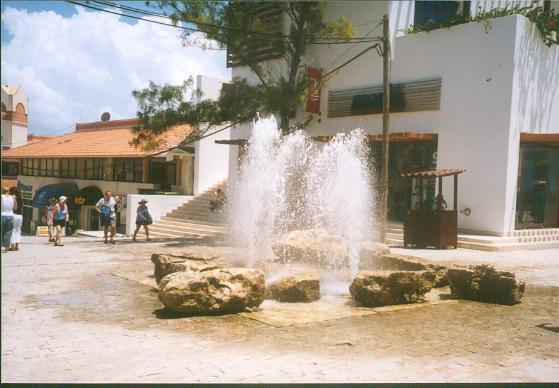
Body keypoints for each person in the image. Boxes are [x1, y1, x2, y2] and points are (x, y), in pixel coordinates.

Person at [1, 186, 15, 253]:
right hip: (10, 215)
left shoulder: (1, 196)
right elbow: (15, 207)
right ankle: (6, 248)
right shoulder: (12, 197)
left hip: (2, 215)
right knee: (8, 232)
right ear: (9, 191)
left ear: (2, 191)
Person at [8, 187, 23, 251]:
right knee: (18, 231)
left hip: (14, 215)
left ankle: (12, 246)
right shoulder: (21, 199)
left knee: (13, 230)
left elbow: (14, 208)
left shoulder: (13, 198)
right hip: (20, 216)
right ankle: (17, 246)